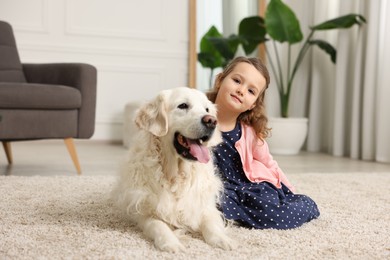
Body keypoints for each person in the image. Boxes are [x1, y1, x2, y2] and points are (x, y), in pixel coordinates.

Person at [207, 56, 320, 229]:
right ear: (220, 80)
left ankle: (305, 204)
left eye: (251, 91)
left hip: (250, 186)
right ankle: (233, 213)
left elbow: (269, 163)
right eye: (237, 81)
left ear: (252, 104)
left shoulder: (249, 132)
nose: (241, 90)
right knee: (208, 203)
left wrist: (287, 189)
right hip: (218, 188)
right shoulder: (199, 120)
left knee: (274, 214)